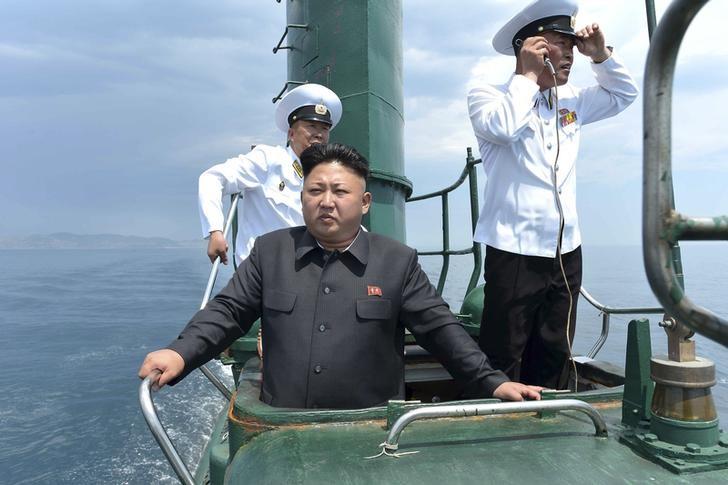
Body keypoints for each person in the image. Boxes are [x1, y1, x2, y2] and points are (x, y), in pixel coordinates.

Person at [139, 143, 542, 409]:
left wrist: (492, 383)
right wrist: (180, 352)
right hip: (284, 427)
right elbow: (227, 312)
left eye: (340, 192)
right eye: (315, 191)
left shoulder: (396, 261)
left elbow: (442, 331)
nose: (326, 202)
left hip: (369, 434)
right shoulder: (270, 252)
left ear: (364, 202)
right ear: (302, 199)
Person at [467, 0, 638, 388]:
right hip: (514, 251)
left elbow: (624, 95)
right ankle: (498, 432)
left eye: (572, 45)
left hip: (566, 251)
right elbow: (503, 129)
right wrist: (527, 76)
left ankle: (549, 429)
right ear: (533, 48)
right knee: (504, 353)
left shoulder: (571, 100)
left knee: (555, 350)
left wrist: (601, 56)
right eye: (562, 45)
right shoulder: (488, 96)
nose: (571, 56)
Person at [198, 83, 342, 267]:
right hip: (260, 273)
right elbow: (212, 179)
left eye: (324, 128)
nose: (319, 134)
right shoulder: (269, 160)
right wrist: (215, 230)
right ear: (291, 133)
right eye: (311, 126)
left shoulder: (326, 176)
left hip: (305, 274)